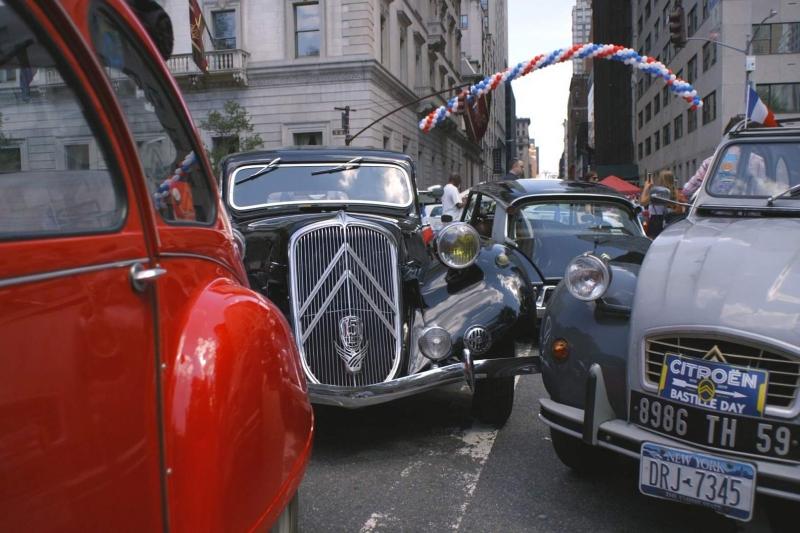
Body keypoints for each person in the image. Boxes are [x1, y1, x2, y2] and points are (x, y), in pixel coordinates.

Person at [641, 169, 684, 238]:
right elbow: (679, 211)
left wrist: (646, 187)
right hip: (671, 222)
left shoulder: (656, 192)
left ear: (660, 180)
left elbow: (642, 202)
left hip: (655, 222)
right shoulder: (676, 193)